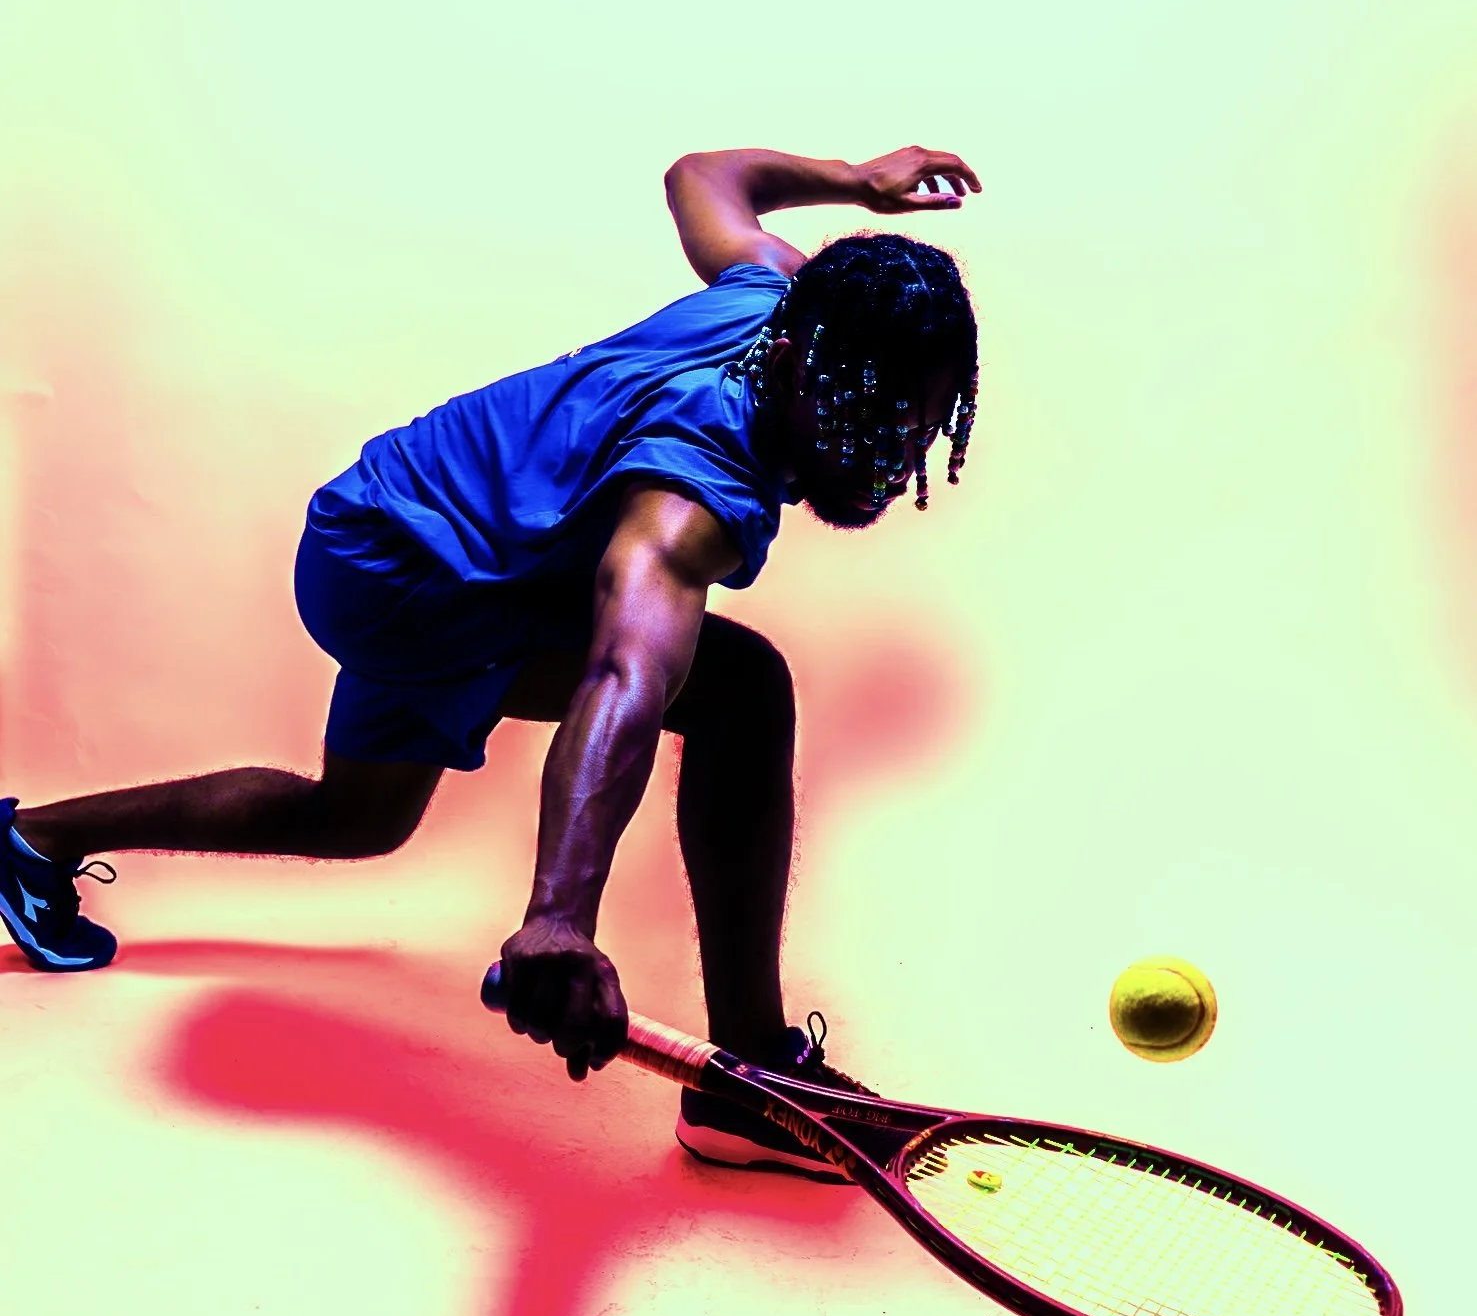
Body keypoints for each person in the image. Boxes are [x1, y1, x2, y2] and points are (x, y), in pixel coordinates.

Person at [0, 144, 980, 1178]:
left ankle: (33, 841)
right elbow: (623, 678)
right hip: (416, 586)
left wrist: (853, 182)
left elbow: (702, 176)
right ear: (793, 362)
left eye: (912, 420)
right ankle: (751, 1083)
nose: (883, 448)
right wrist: (559, 917)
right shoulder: (689, 500)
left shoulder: (774, 291)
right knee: (739, 689)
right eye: (860, 406)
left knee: (359, 818)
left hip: (384, 517)